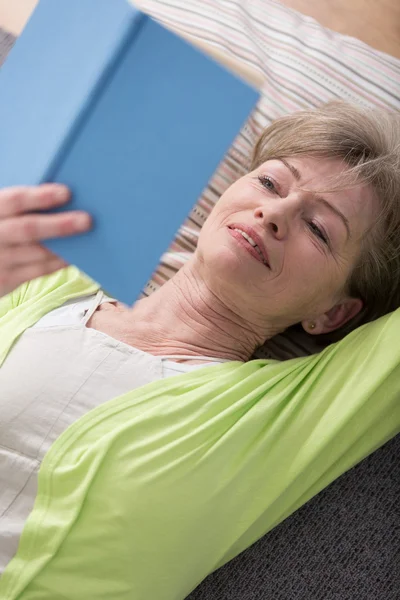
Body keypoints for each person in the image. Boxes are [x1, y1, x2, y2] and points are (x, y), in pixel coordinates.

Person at [0, 101, 399, 598]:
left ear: (334, 314)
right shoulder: (45, 278)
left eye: (319, 229)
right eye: (271, 182)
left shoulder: (281, 417)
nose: (273, 213)